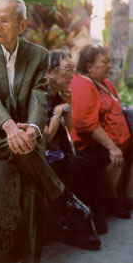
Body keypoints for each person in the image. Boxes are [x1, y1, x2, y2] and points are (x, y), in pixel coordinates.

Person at [0, 0, 91, 263]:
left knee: (33, 184)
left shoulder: (37, 54)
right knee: (29, 153)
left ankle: (31, 257)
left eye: (5, 20)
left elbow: (39, 96)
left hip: (25, 131)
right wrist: (10, 127)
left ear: (22, 24)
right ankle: (64, 196)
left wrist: (34, 129)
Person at [70, 44, 133, 234]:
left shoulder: (105, 83)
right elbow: (87, 124)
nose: (110, 66)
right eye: (105, 62)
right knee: (109, 157)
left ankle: (127, 197)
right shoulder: (82, 84)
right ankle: (114, 200)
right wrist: (113, 146)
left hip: (115, 140)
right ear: (89, 67)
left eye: (109, 62)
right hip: (91, 144)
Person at [45, 49, 101, 249]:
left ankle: (87, 221)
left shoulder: (58, 96)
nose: (72, 75)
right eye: (67, 69)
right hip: (41, 157)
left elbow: (66, 130)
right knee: (78, 166)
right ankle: (74, 227)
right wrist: (57, 113)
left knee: (89, 161)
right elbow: (45, 137)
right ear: (50, 71)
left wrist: (67, 105)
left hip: (57, 152)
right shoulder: (39, 95)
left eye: (73, 70)